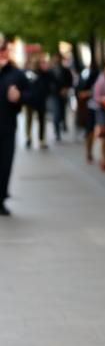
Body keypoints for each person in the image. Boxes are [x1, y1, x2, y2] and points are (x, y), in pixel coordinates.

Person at [0, 37, 28, 216]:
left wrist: (20, 96)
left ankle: (1, 198)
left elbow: (34, 94)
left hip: (7, 128)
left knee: (5, 165)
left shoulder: (16, 74)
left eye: (4, 51)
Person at [22, 57, 50, 149]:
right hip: (30, 100)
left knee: (41, 120)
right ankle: (28, 138)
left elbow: (48, 86)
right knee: (29, 119)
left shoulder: (45, 74)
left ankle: (41, 139)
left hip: (40, 100)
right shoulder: (29, 73)